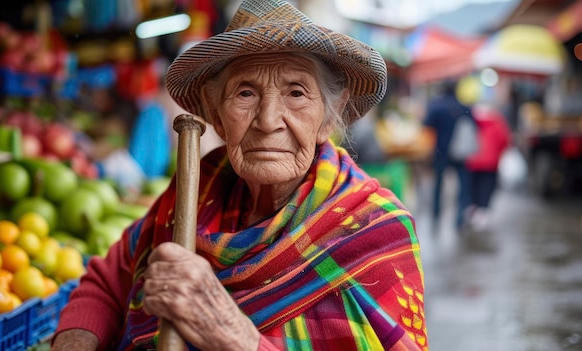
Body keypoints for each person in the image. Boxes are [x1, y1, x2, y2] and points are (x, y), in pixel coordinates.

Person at [51, 1, 428, 350]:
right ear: (216, 116)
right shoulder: (196, 189)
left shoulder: (375, 229)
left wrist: (233, 334)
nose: (267, 121)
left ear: (329, 117)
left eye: (296, 93)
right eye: (245, 94)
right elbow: (105, 284)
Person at [422, 80, 475, 230]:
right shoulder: (463, 106)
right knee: (463, 186)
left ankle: (436, 216)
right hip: (460, 153)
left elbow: (426, 124)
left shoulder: (436, 106)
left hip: (441, 152)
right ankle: (459, 219)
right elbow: (473, 126)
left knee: (438, 185)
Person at [465, 102, 512, 231]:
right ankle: (482, 211)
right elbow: (505, 140)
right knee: (487, 187)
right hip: (490, 163)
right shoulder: (497, 122)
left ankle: (472, 208)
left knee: (473, 186)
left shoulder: (472, 121)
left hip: (473, 161)